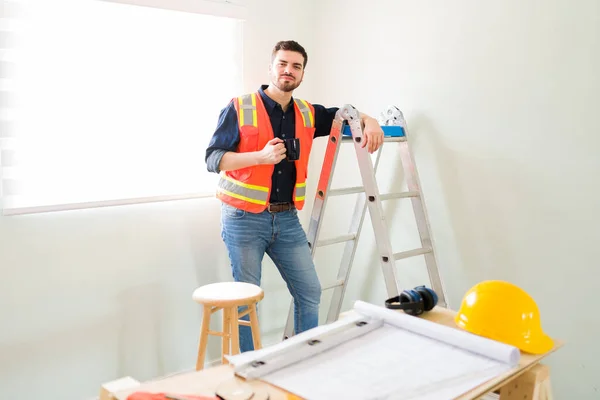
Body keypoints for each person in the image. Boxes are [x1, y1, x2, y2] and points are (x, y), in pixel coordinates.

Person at [205, 40, 384, 352]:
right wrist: (259, 157)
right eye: (283, 64)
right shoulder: (240, 107)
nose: (288, 70)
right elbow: (213, 159)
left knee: (309, 291)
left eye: (296, 66)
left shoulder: (307, 113)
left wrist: (372, 122)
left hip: (286, 220)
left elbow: (347, 114)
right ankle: (253, 368)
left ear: (302, 73)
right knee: (248, 300)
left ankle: (304, 360)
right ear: (272, 67)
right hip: (244, 220)